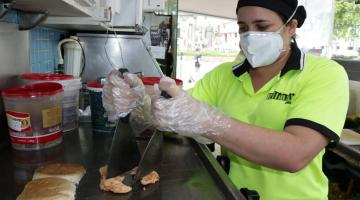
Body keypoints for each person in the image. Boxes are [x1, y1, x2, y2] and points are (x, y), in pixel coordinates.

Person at [102, 0, 349, 199]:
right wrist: (138, 104)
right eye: (243, 28)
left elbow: (295, 154)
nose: (251, 36)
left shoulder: (324, 74)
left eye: (262, 27)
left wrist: (208, 121)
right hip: (229, 191)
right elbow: (173, 118)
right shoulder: (224, 75)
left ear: (291, 26)